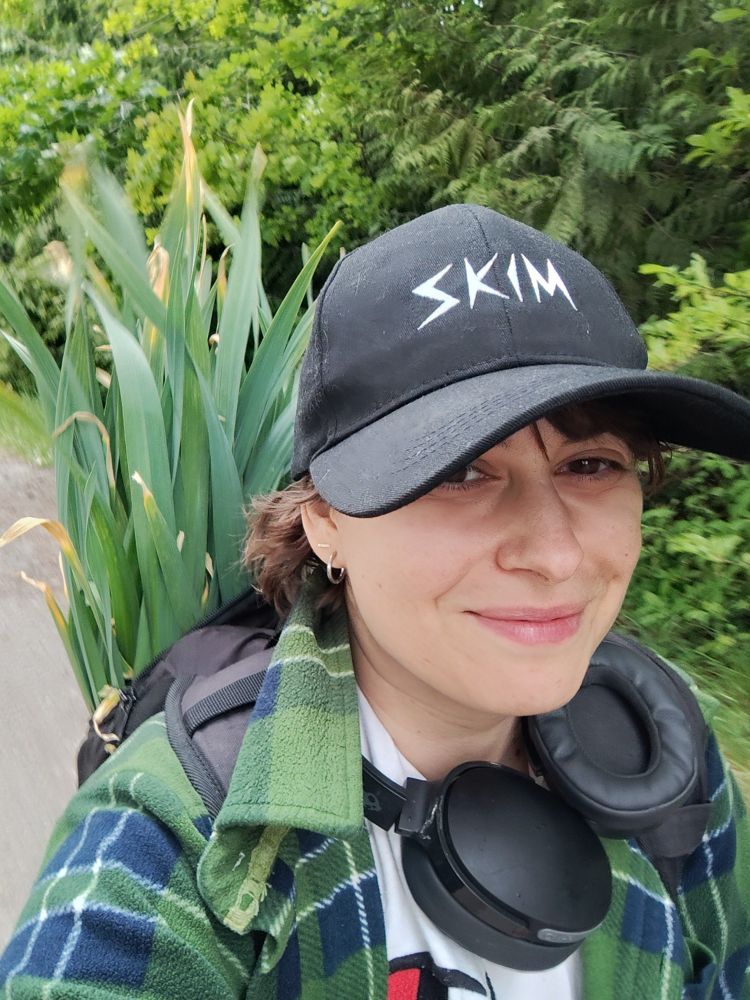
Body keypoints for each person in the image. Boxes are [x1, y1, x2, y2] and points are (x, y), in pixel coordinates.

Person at [1, 204, 749, 999]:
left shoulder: (669, 750)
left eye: (591, 464)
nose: (557, 554)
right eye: (461, 473)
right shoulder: (173, 839)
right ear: (324, 523)